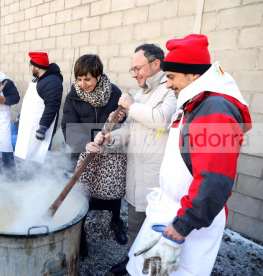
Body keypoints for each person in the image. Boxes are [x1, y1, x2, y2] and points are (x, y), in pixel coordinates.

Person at [120, 34, 252, 275]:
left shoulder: (215, 110)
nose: (168, 84)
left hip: (186, 222)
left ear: (194, 76)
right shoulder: (196, 101)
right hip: (172, 210)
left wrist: (183, 224)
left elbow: (216, 178)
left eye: (171, 77)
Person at [92, 44, 177, 275]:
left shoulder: (170, 89)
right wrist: (111, 138)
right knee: (135, 226)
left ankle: (149, 269)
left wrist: (132, 105)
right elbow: (129, 130)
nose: (134, 74)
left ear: (155, 64)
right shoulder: (142, 93)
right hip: (135, 172)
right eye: (132, 70)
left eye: (137, 68)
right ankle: (132, 263)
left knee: (156, 230)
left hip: (155, 176)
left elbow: (162, 120)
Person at [62, 54, 128, 260]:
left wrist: (120, 120)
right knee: (81, 194)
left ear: (98, 76)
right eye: (79, 79)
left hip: (108, 151)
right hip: (82, 150)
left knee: (113, 191)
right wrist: (84, 144)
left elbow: (122, 125)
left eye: (88, 79)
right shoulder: (73, 97)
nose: (83, 84)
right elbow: (68, 127)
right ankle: (80, 237)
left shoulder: (115, 93)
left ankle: (116, 220)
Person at [14, 52, 63, 164]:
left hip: (39, 127)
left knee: (40, 157)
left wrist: (43, 127)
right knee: (29, 155)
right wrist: (21, 116)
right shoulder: (39, 79)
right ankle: (29, 178)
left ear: (37, 66)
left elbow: (52, 106)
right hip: (30, 125)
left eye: (31, 66)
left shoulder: (51, 81)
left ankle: (42, 179)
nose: (30, 68)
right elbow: (32, 103)